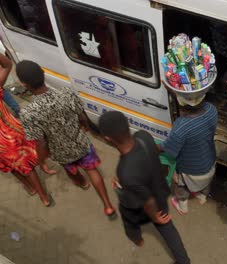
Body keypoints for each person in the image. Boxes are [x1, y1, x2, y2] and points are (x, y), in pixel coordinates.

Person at [16, 60, 116, 218]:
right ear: (43, 74)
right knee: (92, 170)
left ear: (24, 83)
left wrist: (41, 161)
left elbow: (40, 142)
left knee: (72, 172)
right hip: (81, 144)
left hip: (61, 152)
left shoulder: (28, 113)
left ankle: (82, 183)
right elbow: (82, 117)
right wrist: (83, 128)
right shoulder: (67, 92)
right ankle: (108, 205)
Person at [98, 111, 190, 264]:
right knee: (168, 228)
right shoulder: (143, 136)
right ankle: (184, 261)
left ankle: (137, 239)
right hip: (160, 191)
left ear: (108, 138)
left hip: (143, 205)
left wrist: (154, 217)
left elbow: (147, 201)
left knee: (129, 220)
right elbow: (149, 155)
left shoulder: (126, 171)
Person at [0, 53, 53, 206]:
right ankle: (43, 195)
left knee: (11, 166)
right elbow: (7, 64)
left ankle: (31, 188)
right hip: (9, 134)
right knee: (25, 165)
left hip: (6, 139)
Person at [158, 95, 218, 215]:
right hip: (210, 161)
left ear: (181, 107)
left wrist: (152, 146)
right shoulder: (211, 109)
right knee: (206, 184)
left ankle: (182, 207)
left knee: (182, 189)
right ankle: (202, 197)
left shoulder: (181, 127)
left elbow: (168, 149)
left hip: (190, 170)